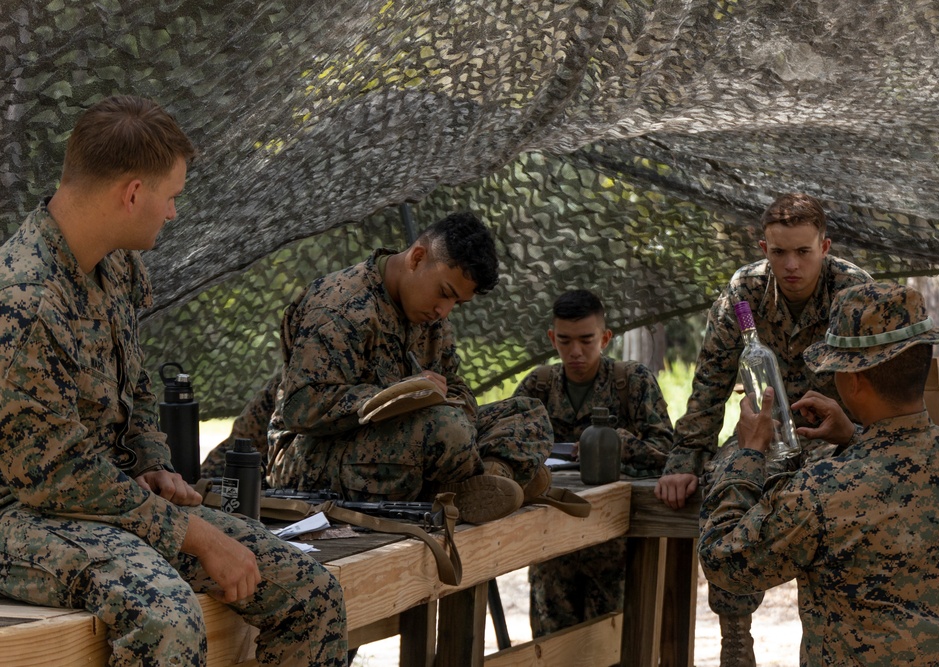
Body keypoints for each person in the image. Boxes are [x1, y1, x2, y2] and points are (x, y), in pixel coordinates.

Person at [0, 96, 347, 666]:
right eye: (171, 197)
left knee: (309, 590)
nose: (173, 214)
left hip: (103, 499)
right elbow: (53, 479)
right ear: (133, 193)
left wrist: (154, 464)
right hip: (22, 512)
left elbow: (134, 386)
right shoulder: (27, 301)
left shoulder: (115, 265)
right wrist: (196, 535)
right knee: (165, 619)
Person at [699, 281, 939, 664]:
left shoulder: (821, 489)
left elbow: (725, 562)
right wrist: (856, 435)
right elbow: (896, 474)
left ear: (852, 382)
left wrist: (748, 453)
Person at [654, 192, 872, 665]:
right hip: (762, 432)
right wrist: (684, 459)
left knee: (845, 503)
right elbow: (711, 378)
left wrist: (867, 440)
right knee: (728, 478)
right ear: (763, 248)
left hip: (837, 435)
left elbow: (880, 377)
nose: (791, 264)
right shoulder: (745, 293)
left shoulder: (854, 292)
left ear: (825, 246)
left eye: (803, 251)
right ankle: (735, 632)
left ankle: (835, 642)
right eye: (778, 252)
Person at [266, 211, 554, 524]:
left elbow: (455, 385)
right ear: (417, 258)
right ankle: (486, 477)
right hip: (309, 458)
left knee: (529, 414)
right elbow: (300, 407)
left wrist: (444, 400)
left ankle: (484, 480)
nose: (444, 311)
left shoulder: (430, 317)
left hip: (406, 441)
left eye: (456, 303)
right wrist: (391, 398)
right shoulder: (340, 306)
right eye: (445, 293)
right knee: (446, 428)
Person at [514, 289, 674, 637]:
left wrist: (618, 443)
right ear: (552, 338)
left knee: (613, 638)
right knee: (551, 643)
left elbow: (667, 451)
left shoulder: (631, 382)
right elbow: (505, 445)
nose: (575, 352)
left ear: (605, 338)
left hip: (615, 542)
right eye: (565, 341)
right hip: (551, 540)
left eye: (586, 340)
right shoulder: (538, 386)